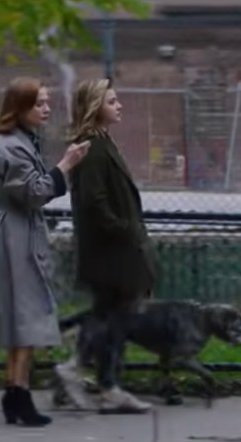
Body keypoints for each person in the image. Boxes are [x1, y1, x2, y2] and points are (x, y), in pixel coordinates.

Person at [0, 77, 91, 427]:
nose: (46, 109)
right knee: (26, 315)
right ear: (20, 108)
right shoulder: (11, 148)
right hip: (16, 236)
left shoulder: (16, 142)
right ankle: (18, 395)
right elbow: (34, 192)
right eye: (39, 104)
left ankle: (15, 392)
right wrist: (66, 165)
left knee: (23, 316)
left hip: (18, 232)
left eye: (47, 102)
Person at [63, 78, 158, 414]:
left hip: (113, 252)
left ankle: (92, 376)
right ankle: (95, 379)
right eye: (112, 101)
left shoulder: (102, 142)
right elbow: (94, 201)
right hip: (110, 254)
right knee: (114, 318)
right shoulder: (92, 146)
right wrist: (125, 231)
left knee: (110, 317)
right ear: (95, 107)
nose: (120, 106)